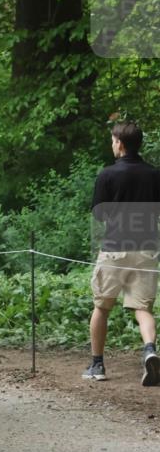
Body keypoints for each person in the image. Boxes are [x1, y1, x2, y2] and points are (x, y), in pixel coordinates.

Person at [85, 121, 160, 385]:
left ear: (120, 143)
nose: (112, 144)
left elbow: (99, 214)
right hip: (147, 250)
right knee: (143, 308)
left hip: (114, 249)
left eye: (113, 140)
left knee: (102, 307)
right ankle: (149, 350)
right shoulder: (155, 175)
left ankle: (97, 365)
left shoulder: (107, 175)